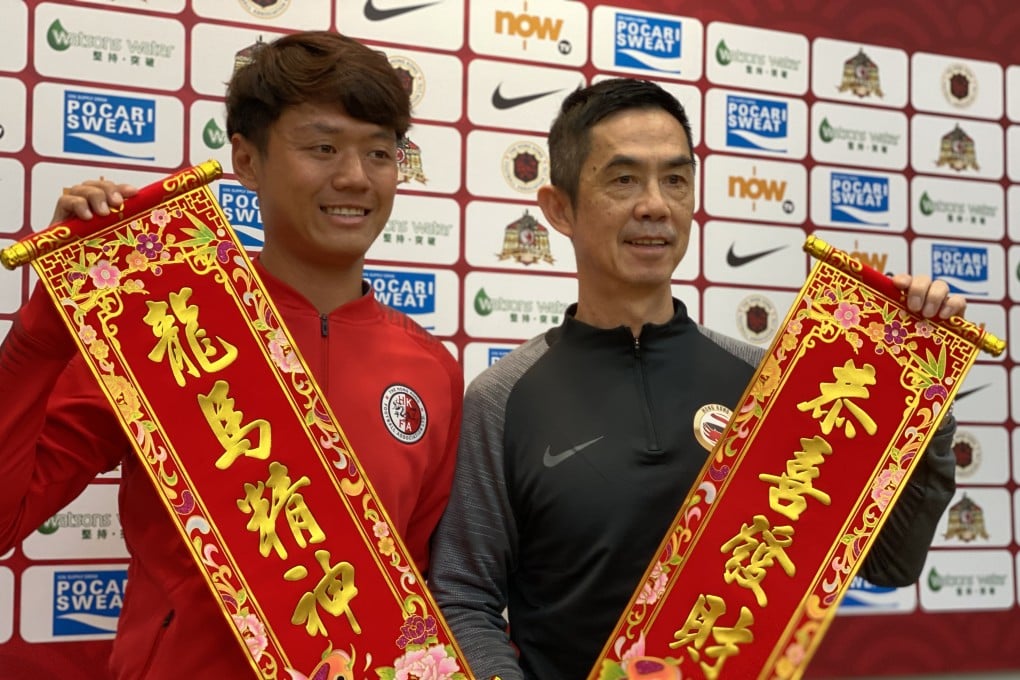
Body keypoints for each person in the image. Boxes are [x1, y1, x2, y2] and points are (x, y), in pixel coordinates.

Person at [427, 77, 964, 680]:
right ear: (560, 208)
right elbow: (464, 601)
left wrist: (921, 396)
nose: (655, 204)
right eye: (623, 178)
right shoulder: (503, 397)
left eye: (675, 180)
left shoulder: (769, 383)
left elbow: (891, 564)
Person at [0, 31, 463, 679]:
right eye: (323, 147)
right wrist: (44, 333)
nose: (355, 177)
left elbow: (414, 592)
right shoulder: (163, 326)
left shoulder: (431, 370)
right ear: (246, 161)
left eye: (380, 152)